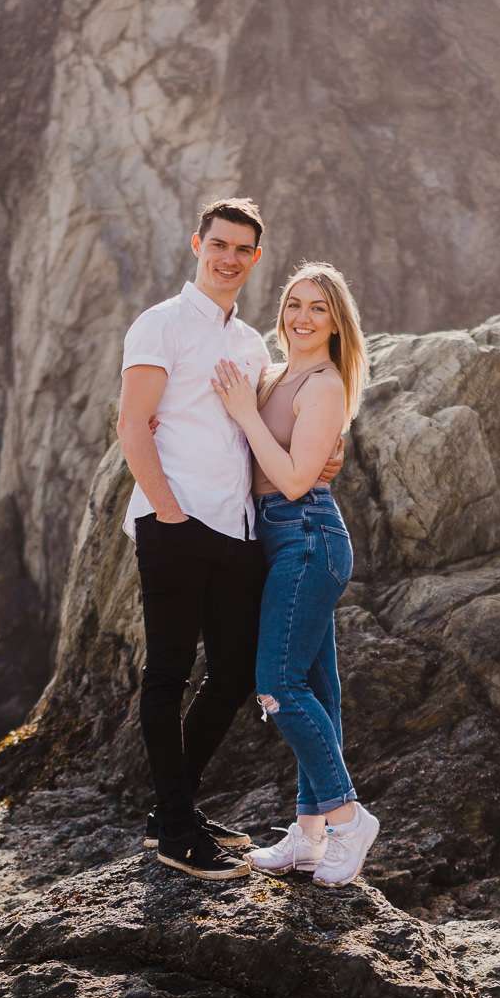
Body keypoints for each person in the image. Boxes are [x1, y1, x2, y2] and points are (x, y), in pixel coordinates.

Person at [117, 197, 343, 882]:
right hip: (175, 523)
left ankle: (173, 806)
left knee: (236, 676)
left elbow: (270, 431)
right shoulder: (160, 324)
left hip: (238, 528)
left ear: (255, 259)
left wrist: (325, 458)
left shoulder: (250, 345)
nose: (228, 258)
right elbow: (132, 424)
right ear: (197, 244)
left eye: (242, 250)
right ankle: (176, 829)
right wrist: (170, 513)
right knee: (166, 675)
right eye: (218, 244)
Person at [211, 264, 379, 887]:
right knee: (318, 692)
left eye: (318, 309)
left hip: (307, 537)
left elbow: (293, 479)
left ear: (337, 323)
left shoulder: (325, 384)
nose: (302, 318)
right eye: (293, 304)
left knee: (277, 684)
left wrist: (244, 413)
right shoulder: (278, 374)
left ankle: (347, 818)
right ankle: (309, 837)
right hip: (281, 540)